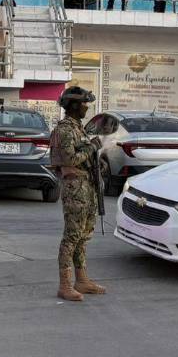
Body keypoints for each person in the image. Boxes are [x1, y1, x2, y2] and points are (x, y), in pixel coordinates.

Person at [51, 86, 107, 302]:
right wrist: (92, 148)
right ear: (74, 105)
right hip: (75, 189)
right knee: (71, 237)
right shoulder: (65, 130)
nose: (86, 107)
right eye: (84, 104)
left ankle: (82, 280)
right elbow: (70, 160)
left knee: (83, 236)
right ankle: (64, 285)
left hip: (88, 187)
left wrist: (97, 161)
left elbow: (84, 158)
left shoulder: (79, 128)